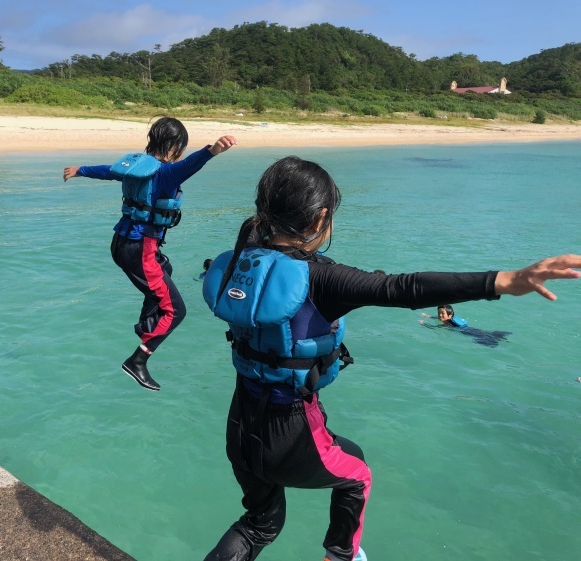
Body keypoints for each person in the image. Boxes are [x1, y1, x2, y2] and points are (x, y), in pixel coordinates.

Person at [201, 156, 581, 561]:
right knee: (357, 476)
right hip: (292, 432)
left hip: (240, 427)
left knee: (260, 523)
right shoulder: (322, 279)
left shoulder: (236, 265)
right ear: (320, 220)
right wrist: (506, 280)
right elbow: (403, 288)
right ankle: (341, 556)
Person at [63, 117, 237, 392]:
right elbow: (190, 165)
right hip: (140, 249)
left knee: (164, 269)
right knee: (176, 310)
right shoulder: (167, 173)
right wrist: (211, 151)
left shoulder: (135, 168)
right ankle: (138, 360)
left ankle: (145, 324)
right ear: (175, 145)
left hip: (120, 244)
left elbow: (107, 171)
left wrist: (79, 170)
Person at [420, 304, 511, 348]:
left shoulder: (447, 323)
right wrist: (429, 316)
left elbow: (436, 328)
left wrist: (424, 324)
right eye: (439, 313)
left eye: (442, 313)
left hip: (467, 332)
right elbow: (439, 318)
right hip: (470, 329)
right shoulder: (449, 319)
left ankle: (493, 341)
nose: (440, 315)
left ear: (450, 315)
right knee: (485, 333)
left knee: (482, 338)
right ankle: (497, 336)